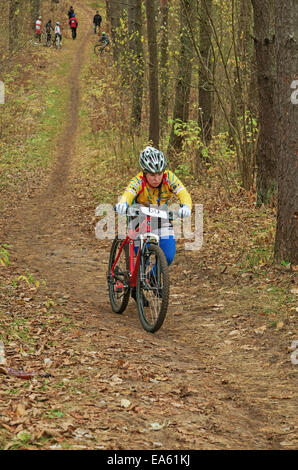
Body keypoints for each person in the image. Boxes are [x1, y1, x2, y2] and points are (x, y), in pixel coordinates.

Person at [115, 146, 192, 303]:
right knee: (140, 256)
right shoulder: (138, 180)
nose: (156, 178)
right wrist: (123, 203)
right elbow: (129, 193)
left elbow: (183, 192)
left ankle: (152, 277)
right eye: (152, 175)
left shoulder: (169, 177)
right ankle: (136, 287)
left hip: (160, 214)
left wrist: (186, 206)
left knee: (168, 255)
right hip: (139, 214)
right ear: (144, 173)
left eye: (159, 174)